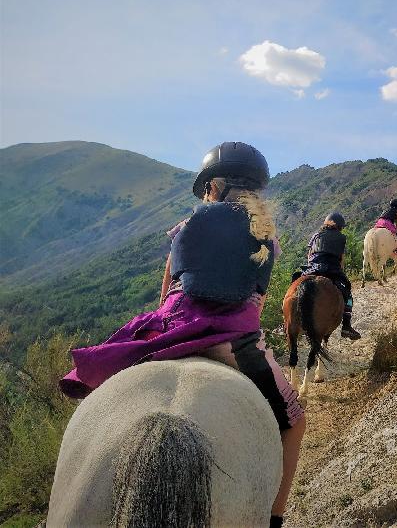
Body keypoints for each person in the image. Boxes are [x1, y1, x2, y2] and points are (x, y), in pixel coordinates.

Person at [58, 142, 303, 528]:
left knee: (101, 392)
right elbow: (256, 303)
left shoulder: (184, 229)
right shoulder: (266, 238)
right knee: (295, 419)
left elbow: (166, 294)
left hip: (173, 328)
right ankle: (275, 517)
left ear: (215, 187)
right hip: (234, 343)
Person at [302, 212, 361, 340]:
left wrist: (311, 268)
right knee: (348, 293)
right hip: (332, 270)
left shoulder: (315, 235)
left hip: (313, 268)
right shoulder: (341, 238)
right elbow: (341, 260)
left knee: (296, 282)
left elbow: (309, 255)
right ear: (340, 227)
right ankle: (346, 326)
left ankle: (284, 316)